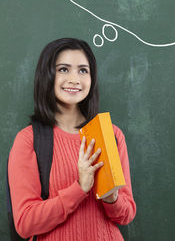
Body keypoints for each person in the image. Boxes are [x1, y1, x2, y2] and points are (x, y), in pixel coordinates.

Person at [8, 38, 136, 241]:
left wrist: (112, 199)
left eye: (83, 70)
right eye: (63, 69)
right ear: (47, 75)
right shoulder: (28, 140)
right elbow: (25, 223)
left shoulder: (111, 134)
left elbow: (126, 214)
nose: (75, 79)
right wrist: (80, 188)